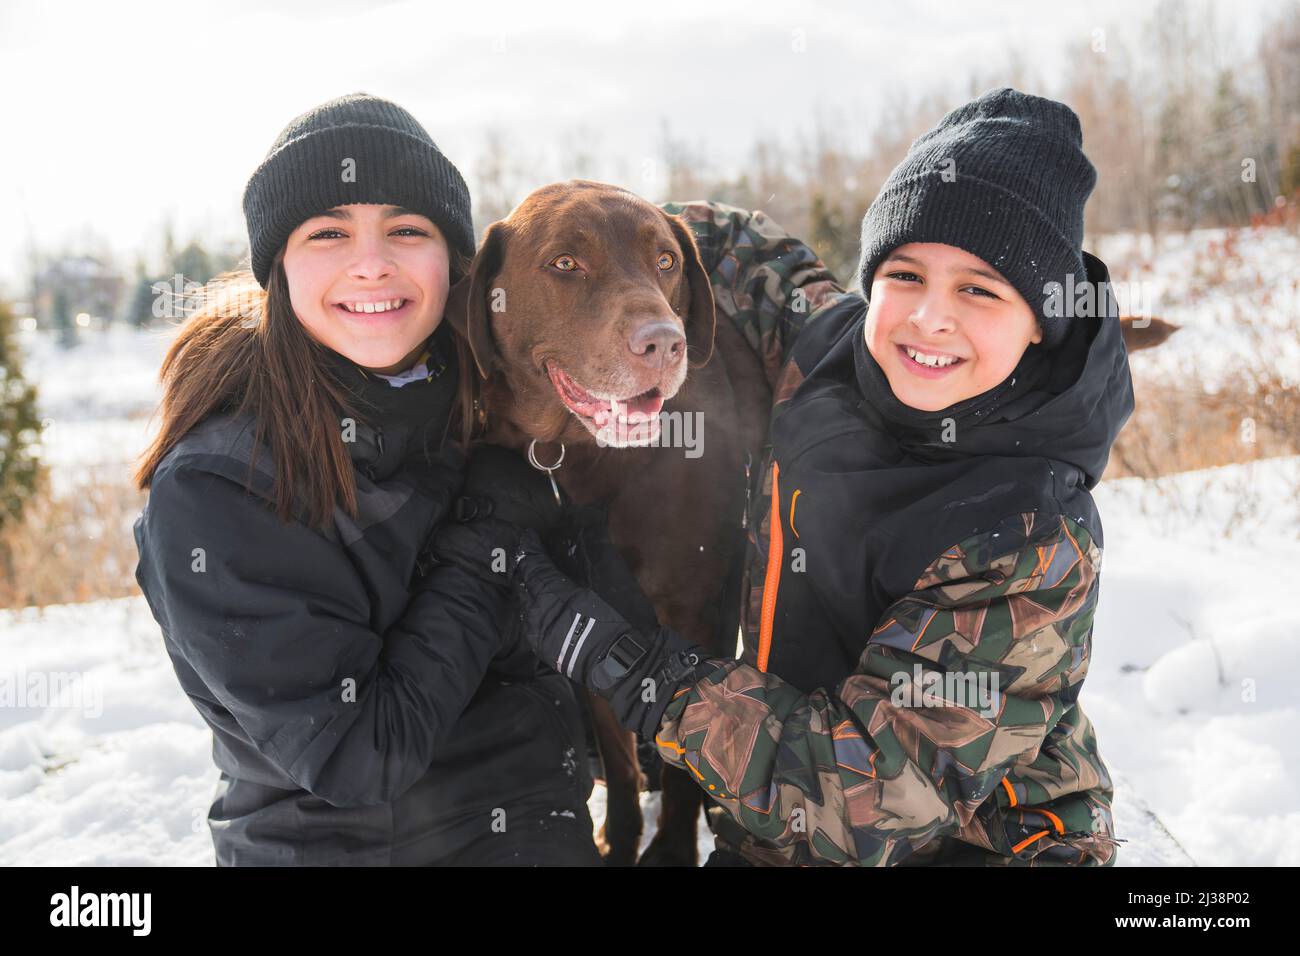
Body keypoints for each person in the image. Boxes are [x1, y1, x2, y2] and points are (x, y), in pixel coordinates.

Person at [435, 88, 1133, 866]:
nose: (930, 318)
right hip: (773, 826)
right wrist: (571, 244)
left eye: (979, 288)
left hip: (974, 842)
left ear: (1042, 320)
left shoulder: (1030, 535)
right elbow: (731, 248)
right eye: (905, 274)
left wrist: (630, 663)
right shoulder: (826, 352)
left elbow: (861, 799)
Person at [132, 93, 601, 866]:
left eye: (407, 229)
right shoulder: (220, 488)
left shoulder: (487, 410)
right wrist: (489, 535)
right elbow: (360, 754)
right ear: (279, 264)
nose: (372, 262)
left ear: (454, 263)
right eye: (328, 232)